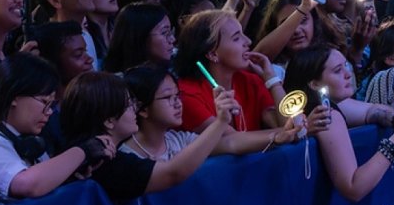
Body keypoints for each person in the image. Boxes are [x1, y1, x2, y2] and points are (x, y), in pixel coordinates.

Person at [58, 71, 229, 202]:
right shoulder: (106, 164)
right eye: (128, 104)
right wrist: (220, 122)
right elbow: (173, 173)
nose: (135, 109)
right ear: (109, 120)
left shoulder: (96, 153)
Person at [284, 46, 394, 202]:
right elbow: (353, 188)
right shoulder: (326, 117)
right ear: (315, 84)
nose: (348, 74)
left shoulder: (321, 105)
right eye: (338, 70)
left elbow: (372, 111)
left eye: (346, 65)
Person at [0, 54, 114, 199]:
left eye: (52, 105)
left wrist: (69, 174)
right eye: (44, 102)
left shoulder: (32, 142)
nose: (49, 112)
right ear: (14, 97)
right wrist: (83, 151)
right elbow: (26, 185)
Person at [121, 64, 301, 160]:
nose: (178, 104)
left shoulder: (180, 140)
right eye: (168, 97)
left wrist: (278, 137)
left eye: (178, 96)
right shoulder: (126, 155)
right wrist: (221, 121)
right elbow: (172, 174)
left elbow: (230, 143)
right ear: (142, 108)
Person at [173, 10, 284, 133]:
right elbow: (232, 140)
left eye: (243, 34)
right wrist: (286, 133)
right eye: (236, 38)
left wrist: (272, 80)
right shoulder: (187, 95)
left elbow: (283, 123)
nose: (248, 41)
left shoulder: (250, 81)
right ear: (212, 54)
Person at [103, 3, 175, 73]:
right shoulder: (116, 83)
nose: (172, 39)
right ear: (141, 36)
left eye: (170, 32)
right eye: (164, 33)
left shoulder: (172, 72)